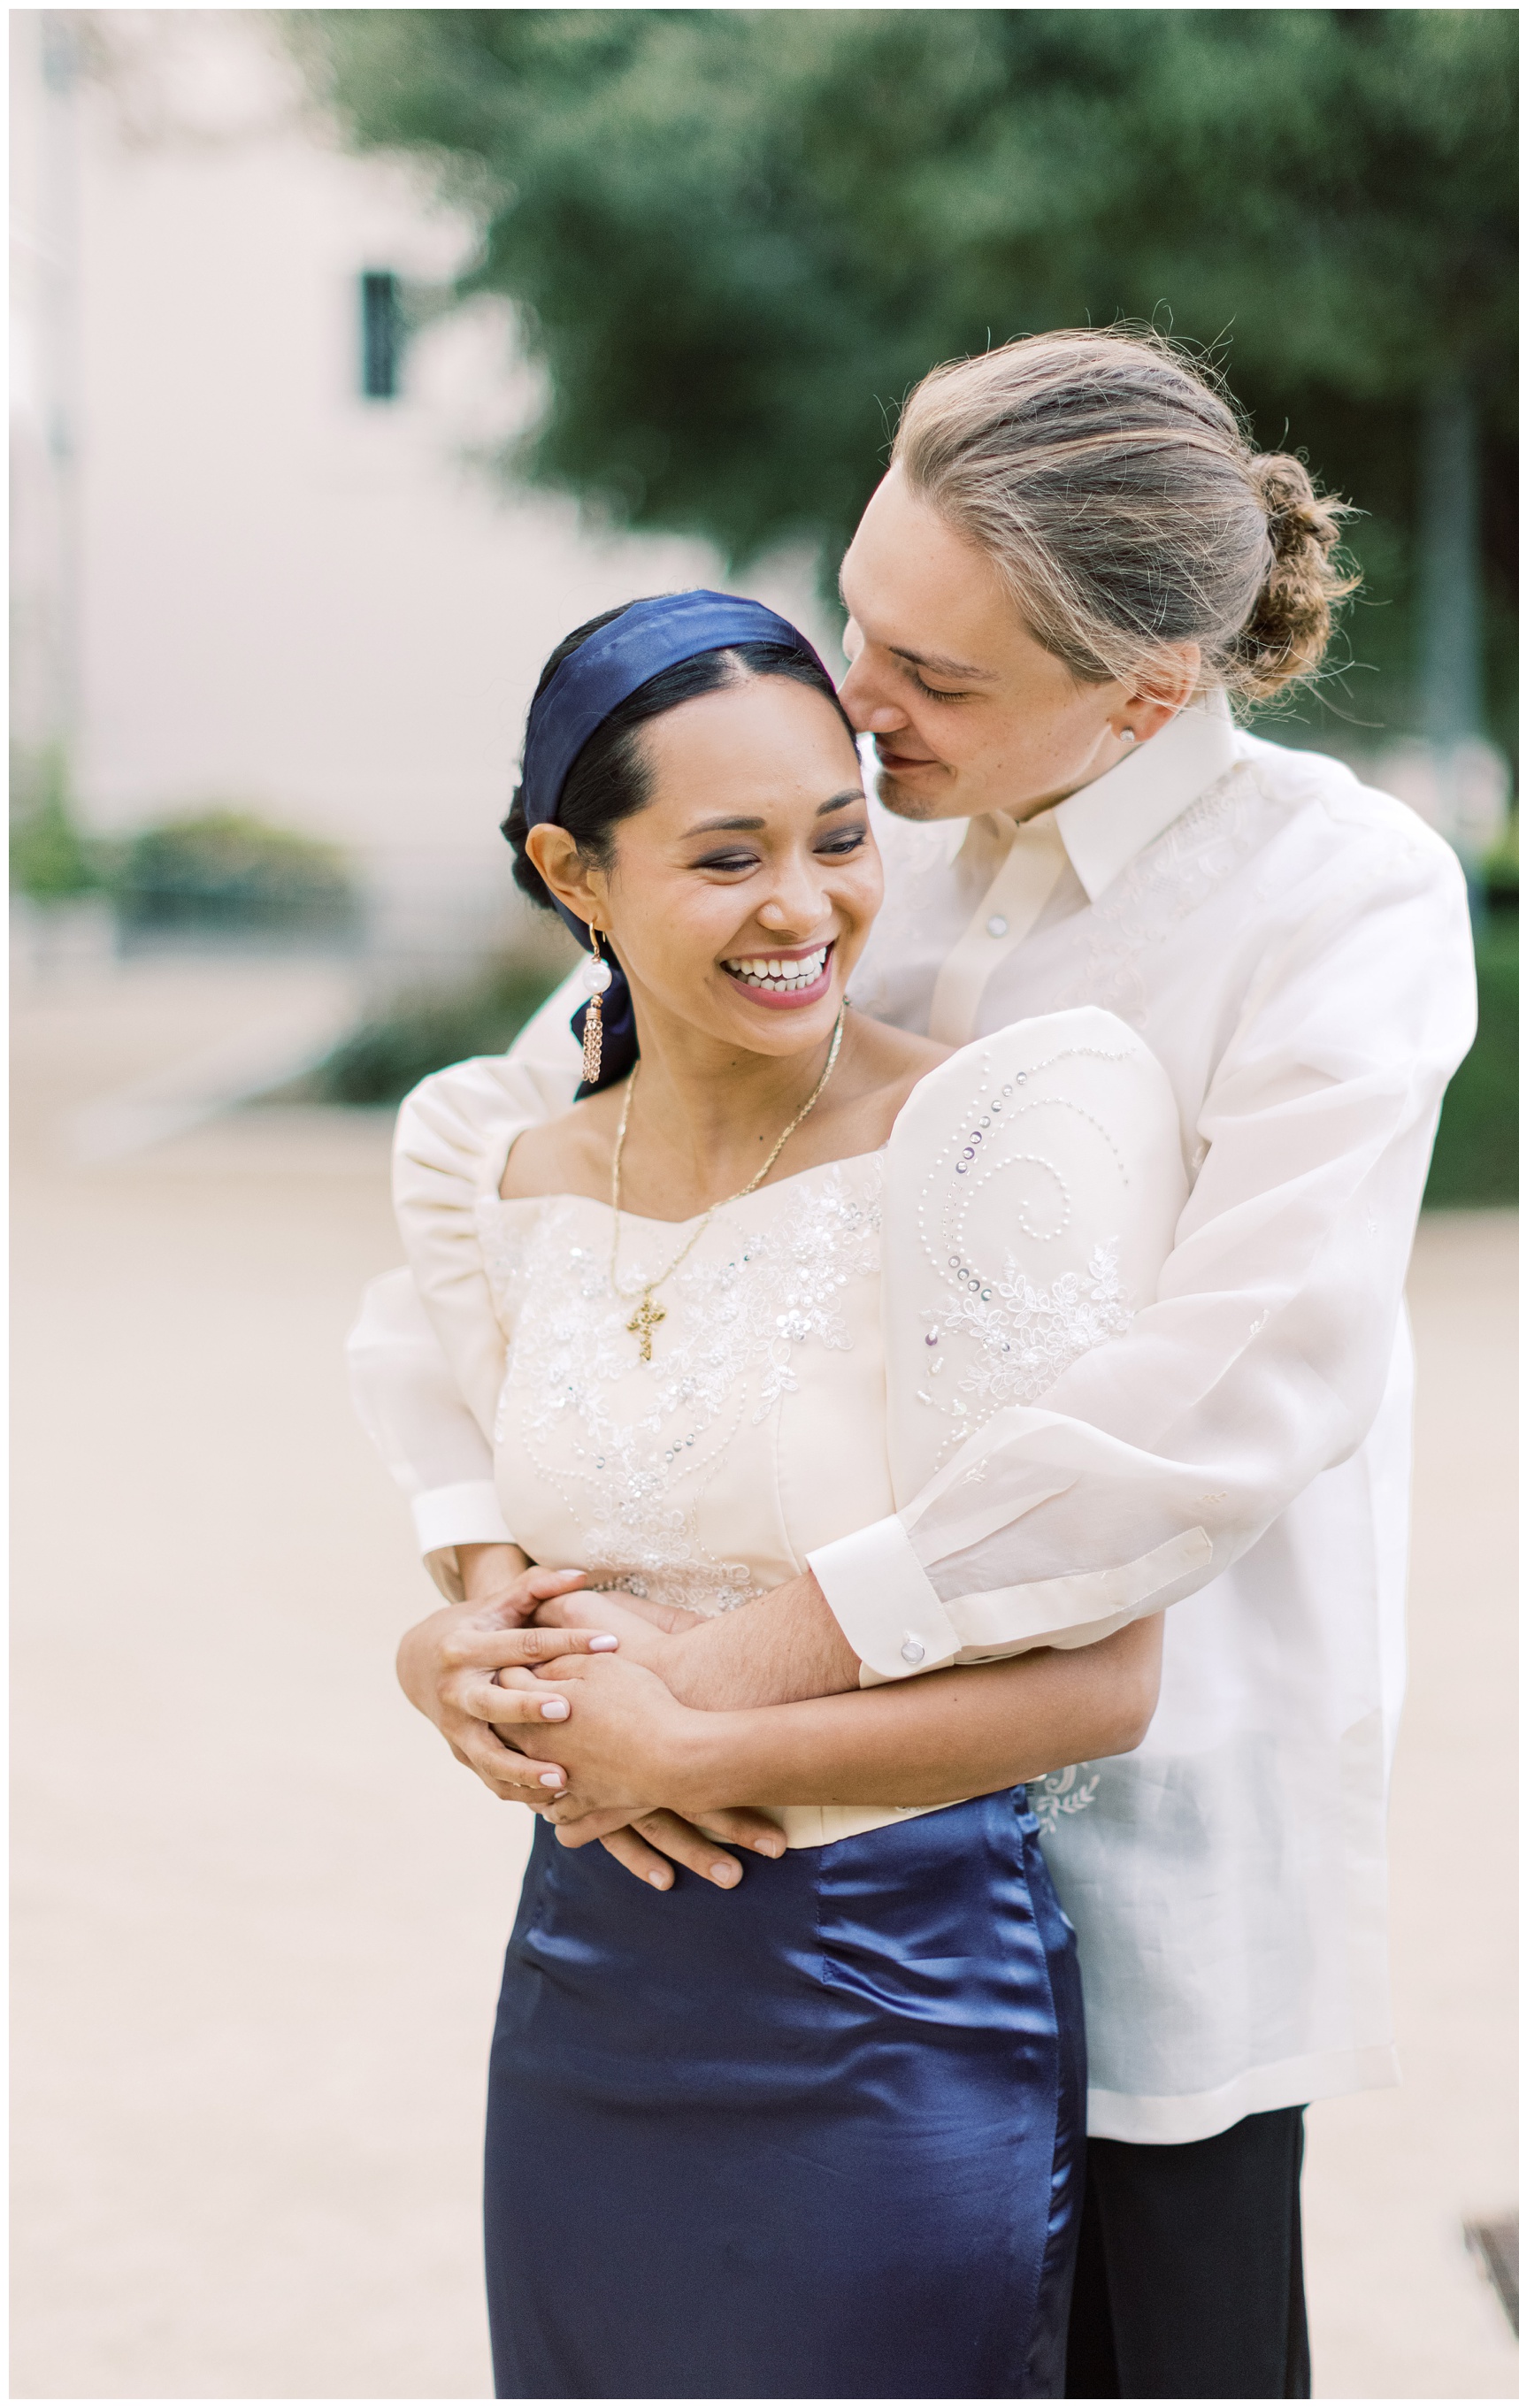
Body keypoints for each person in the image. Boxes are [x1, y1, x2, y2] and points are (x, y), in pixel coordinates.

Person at [350, 326, 1477, 2399]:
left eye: (936, 678)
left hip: (1144, 1821)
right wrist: (472, 1594)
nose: (864, 703)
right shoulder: (854, 838)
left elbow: (1229, 1398)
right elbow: (517, 1164)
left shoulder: (1339, 899)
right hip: (790, 1889)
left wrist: (720, 1687)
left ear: (1147, 691)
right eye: (865, 614)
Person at [385, 587, 1197, 2399]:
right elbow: (506, 1581)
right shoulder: (494, 1170)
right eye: (726, 855)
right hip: (588, 1990)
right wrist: (448, 1662)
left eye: (840, 836)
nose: (807, 905)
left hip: (888, 2001)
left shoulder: (979, 1144)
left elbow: (1104, 1678)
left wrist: (688, 1751)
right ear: (572, 869)